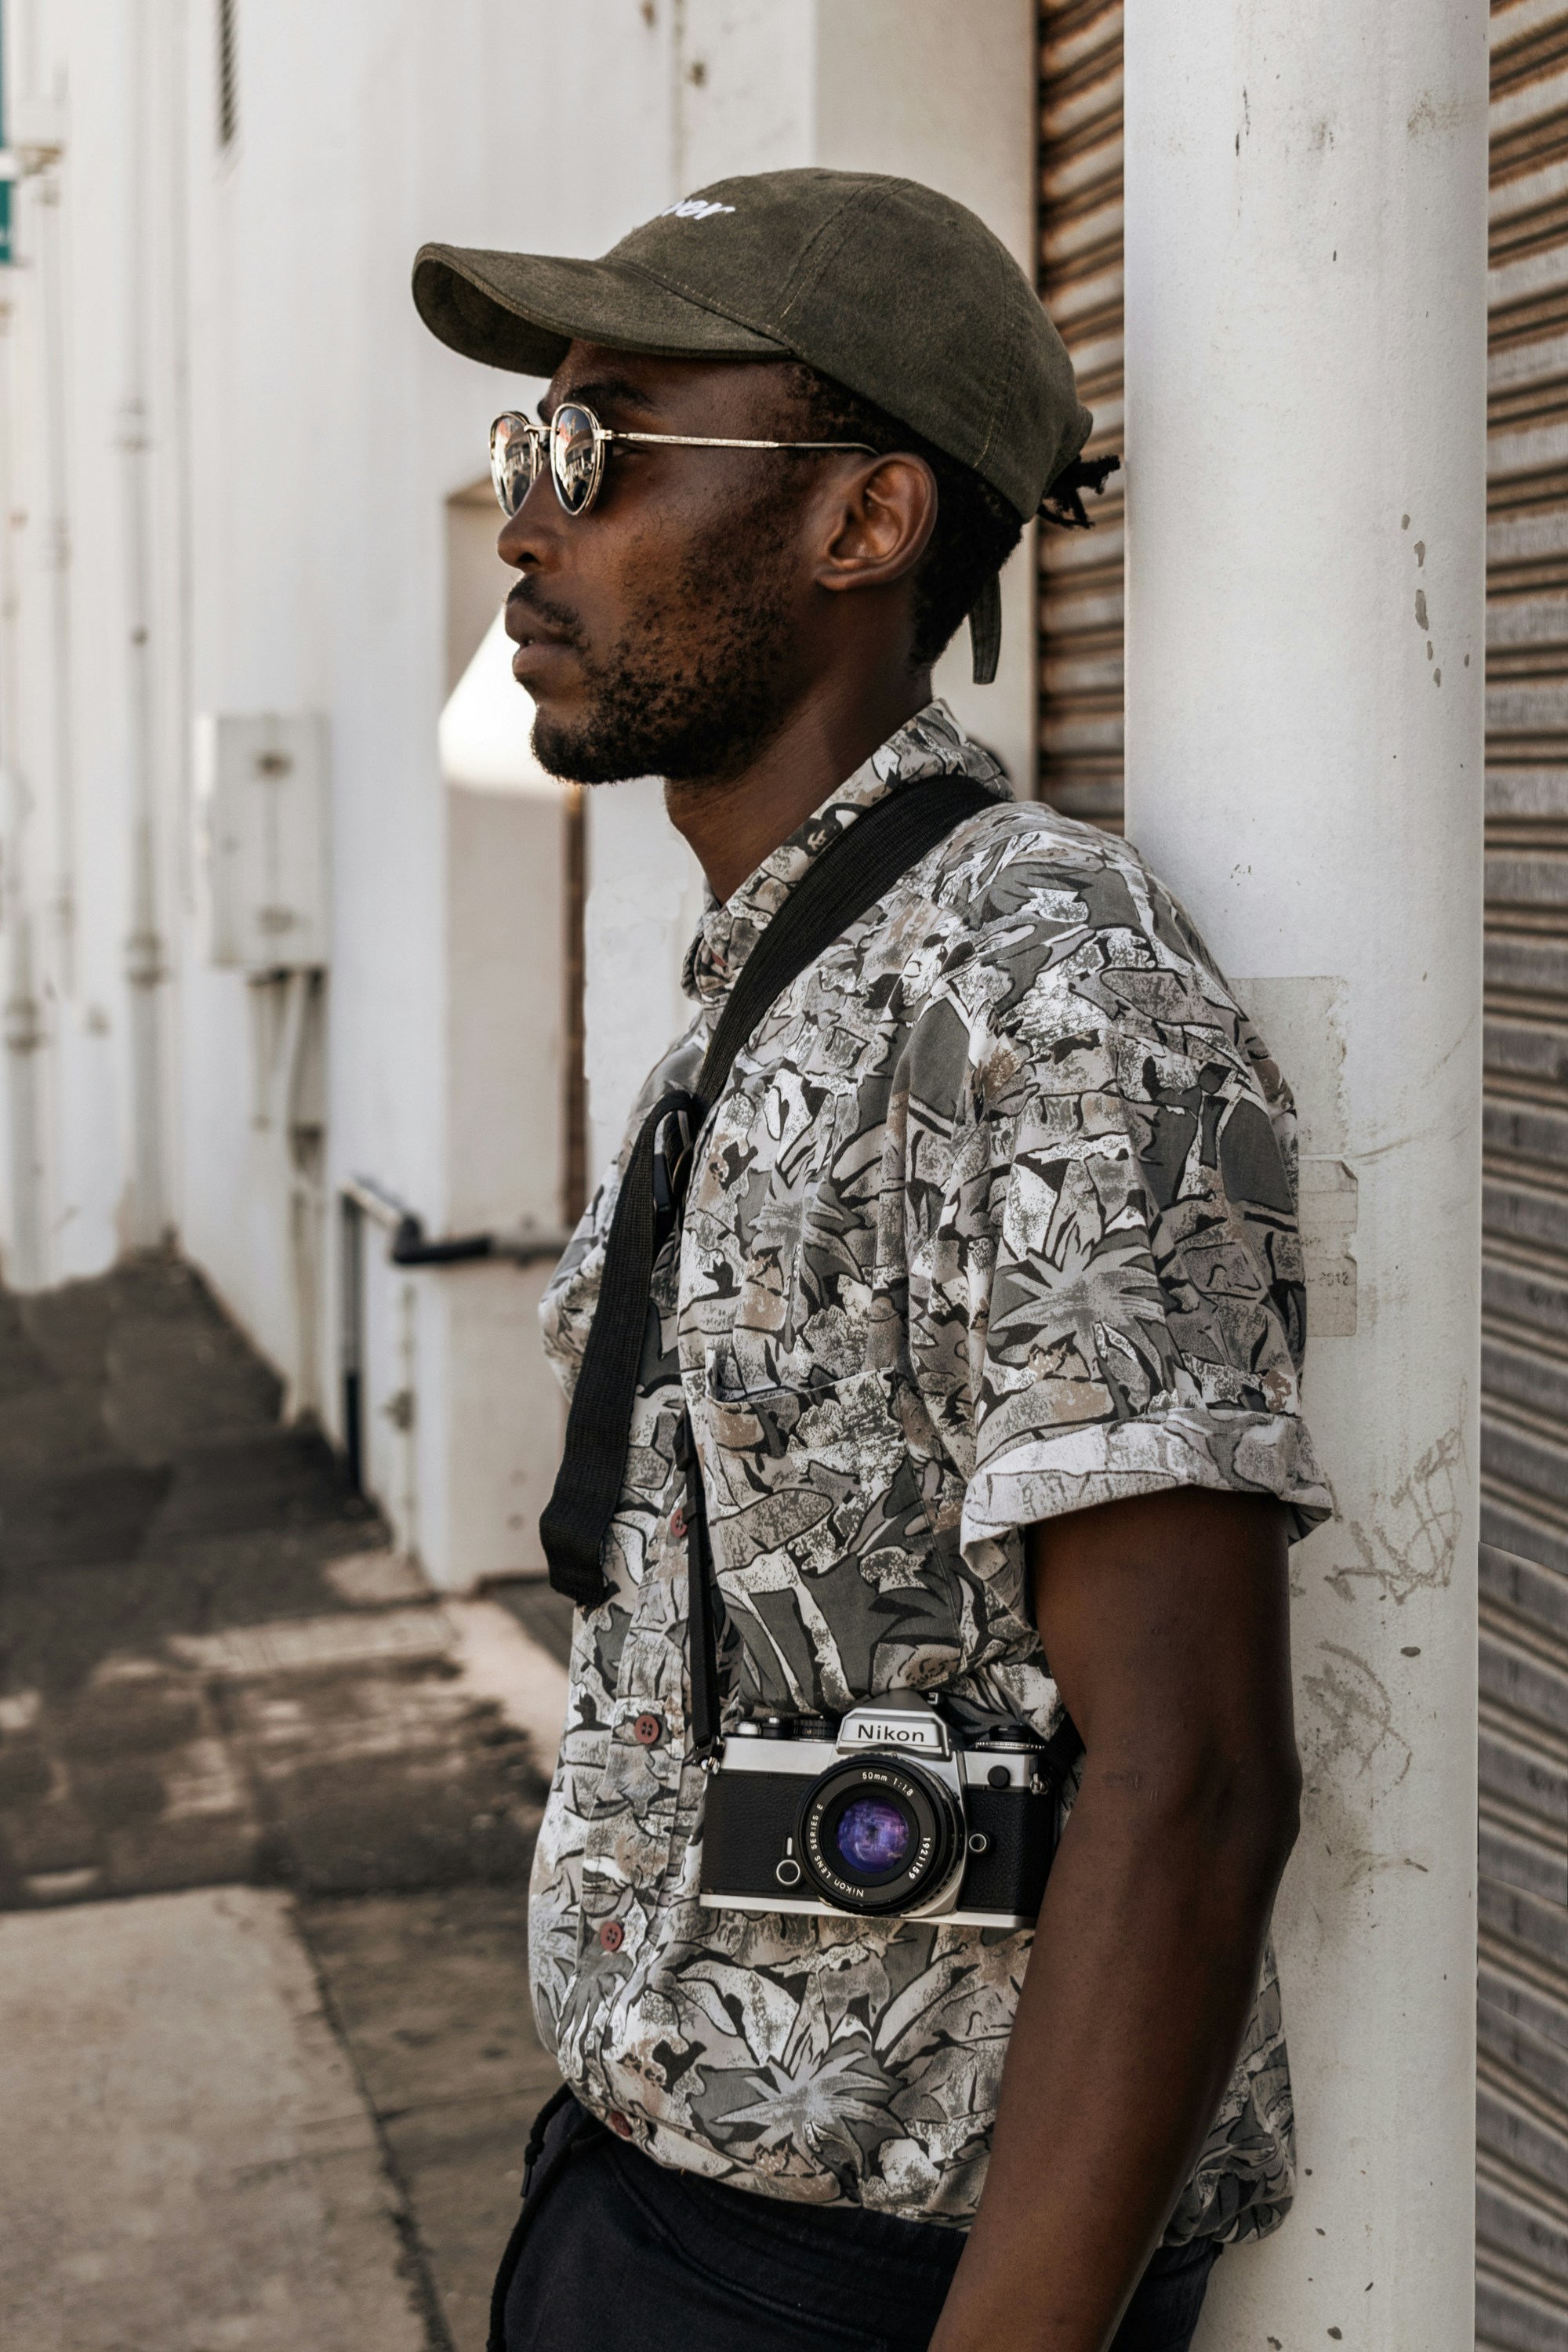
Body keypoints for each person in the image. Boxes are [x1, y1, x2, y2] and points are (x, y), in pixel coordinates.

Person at [412, 169, 1331, 2352]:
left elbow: (1194, 1775)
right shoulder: (768, 987)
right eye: (523, 452)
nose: (526, 527)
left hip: (854, 2285)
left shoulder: (1043, 986)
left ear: (865, 523)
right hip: (635, 2188)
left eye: (601, 445)